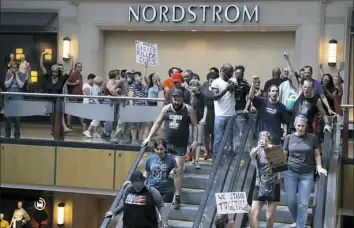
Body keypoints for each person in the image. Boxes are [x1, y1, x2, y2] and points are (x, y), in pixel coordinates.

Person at [142, 89, 198, 209]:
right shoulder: (166, 108)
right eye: (175, 99)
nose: (176, 102)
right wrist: (148, 137)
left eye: (179, 100)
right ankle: (156, 189)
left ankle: (177, 196)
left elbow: (194, 125)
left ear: (183, 99)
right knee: (159, 165)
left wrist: (195, 141)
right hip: (166, 143)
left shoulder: (188, 109)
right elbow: (157, 123)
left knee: (178, 169)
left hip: (180, 144)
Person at [283, 115, 327, 228]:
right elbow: (284, 155)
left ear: (306, 126)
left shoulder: (312, 138)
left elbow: (317, 154)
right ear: (294, 125)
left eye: (303, 126)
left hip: (307, 174)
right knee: (291, 201)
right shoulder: (289, 138)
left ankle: (300, 226)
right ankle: (297, 220)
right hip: (290, 172)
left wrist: (319, 166)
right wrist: (278, 168)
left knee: (303, 204)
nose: (300, 128)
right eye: (298, 125)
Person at [249, 131, 280, 228]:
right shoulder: (257, 151)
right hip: (259, 185)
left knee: (270, 216)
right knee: (253, 213)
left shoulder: (275, 150)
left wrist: (269, 147)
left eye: (266, 140)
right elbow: (251, 155)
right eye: (261, 140)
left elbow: (280, 167)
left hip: (273, 185)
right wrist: (259, 147)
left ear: (270, 141)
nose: (264, 142)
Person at [248, 76, 290, 146]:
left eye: (276, 91)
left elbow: (285, 121)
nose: (275, 93)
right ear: (269, 93)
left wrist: (285, 131)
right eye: (273, 91)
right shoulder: (262, 102)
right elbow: (251, 97)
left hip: (274, 138)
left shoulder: (281, 106)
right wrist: (253, 83)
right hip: (261, 137)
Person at [211, 63, 236, 158]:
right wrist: (226, 89)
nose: (231, 74)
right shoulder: (216, 82)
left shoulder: (232, 81)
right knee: (218, 139)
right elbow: (215, 97)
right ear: (223, 71)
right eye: (229, 72)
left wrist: (234, 88)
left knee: (230, 139)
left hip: (231, 114)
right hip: (220, 115)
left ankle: (229, 158)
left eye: (231, 72)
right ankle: (216, 158)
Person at [145, 138, 178, 204]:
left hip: (166, 191)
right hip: (152, 189)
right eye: (157, 149)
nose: (159, 151)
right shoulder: (150, 159)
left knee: (164, 212)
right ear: (154, 149)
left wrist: (174, 172)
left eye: (161, 149)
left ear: (165, 149)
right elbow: (146, 174)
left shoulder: (171, 159)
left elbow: (176, 173)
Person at [4, 62, 27, 138]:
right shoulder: (8, 74)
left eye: (15, 68)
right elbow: (7, 85)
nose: (14, 69)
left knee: (17, 118)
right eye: (12, 68)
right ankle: (7, 134)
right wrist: (11, 76)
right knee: (8, 117)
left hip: (18, 98)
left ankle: (17, 135)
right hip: (9, 98)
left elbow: (21, 85)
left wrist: (16, 75)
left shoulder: (22, 74)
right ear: (10, 68)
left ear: (18, 68)